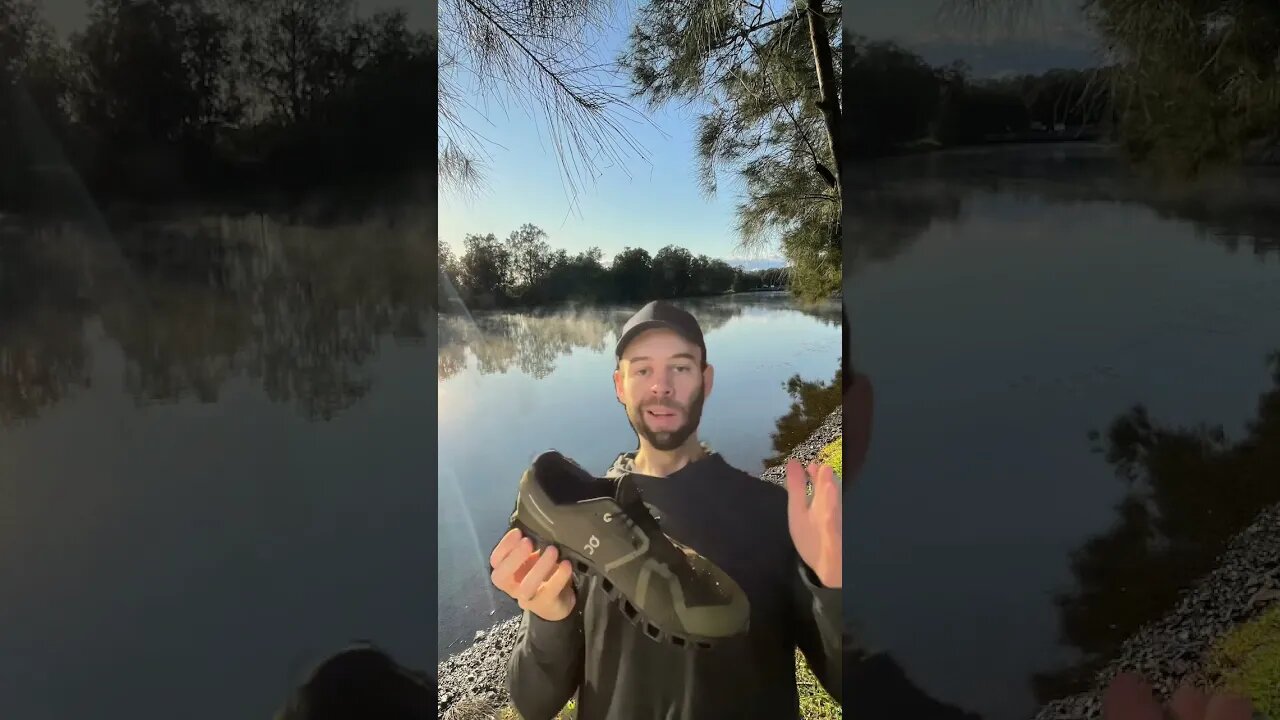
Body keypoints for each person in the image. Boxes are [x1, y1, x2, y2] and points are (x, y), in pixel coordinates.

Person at [488, 300, 843, 720]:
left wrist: (834, 583)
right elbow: (532, 702)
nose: (661, 386)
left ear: (706, 380)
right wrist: (549, 618)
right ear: (620, 385)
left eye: (680, 367)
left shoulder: (774, 515)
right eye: (642, 370)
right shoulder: (580, 526)